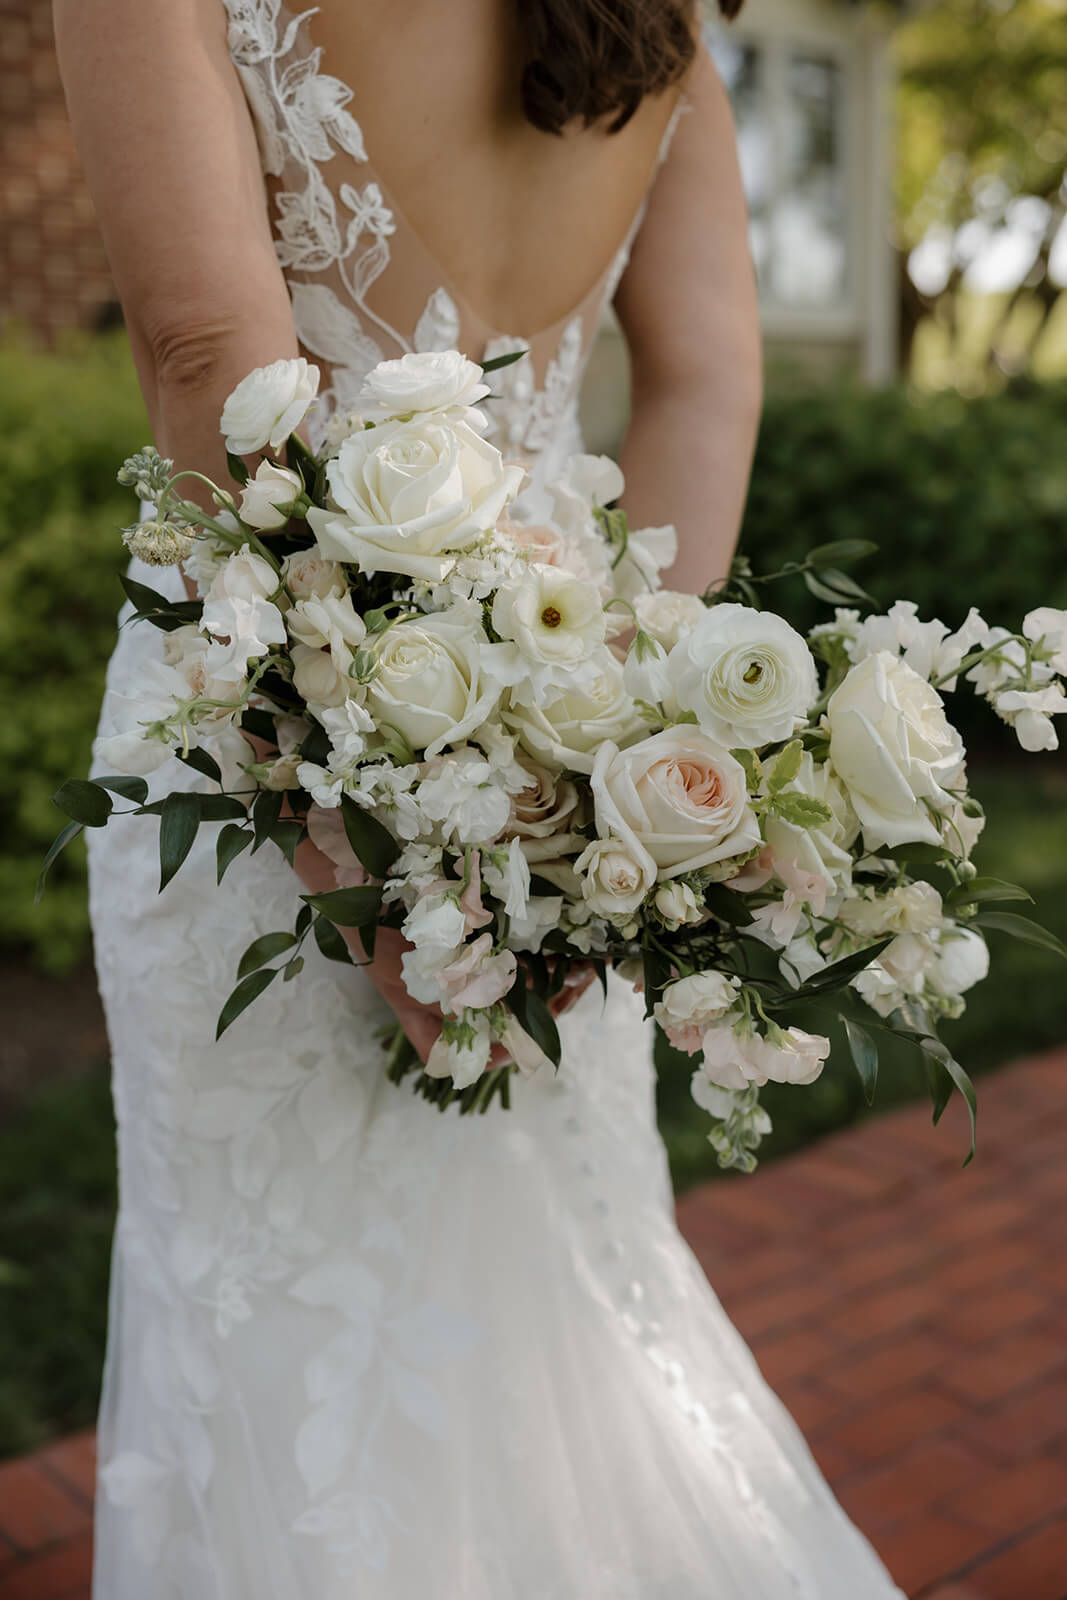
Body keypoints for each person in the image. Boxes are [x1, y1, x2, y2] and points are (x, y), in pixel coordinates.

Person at [56, 1, 907, 1593]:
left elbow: (210, 368)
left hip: (262, 759)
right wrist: (619, 782)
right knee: (553, 1298)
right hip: (560, 765)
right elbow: (706, 387)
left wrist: (364, 848)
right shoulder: (663, 31)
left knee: (282, 1319)